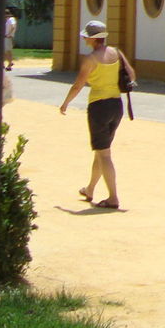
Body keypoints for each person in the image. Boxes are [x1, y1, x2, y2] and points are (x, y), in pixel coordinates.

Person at [59, 19, 132, 210]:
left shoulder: (90, 59)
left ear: (92, 38)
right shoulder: (117, 53)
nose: (84, 38)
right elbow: (131, 76)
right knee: (102, 150)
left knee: (104, 154)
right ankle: (90, 189)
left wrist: (66, 103)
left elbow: (78, 85)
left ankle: (113, 198)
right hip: (116, 104)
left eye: (86, 36)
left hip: (99, 106)